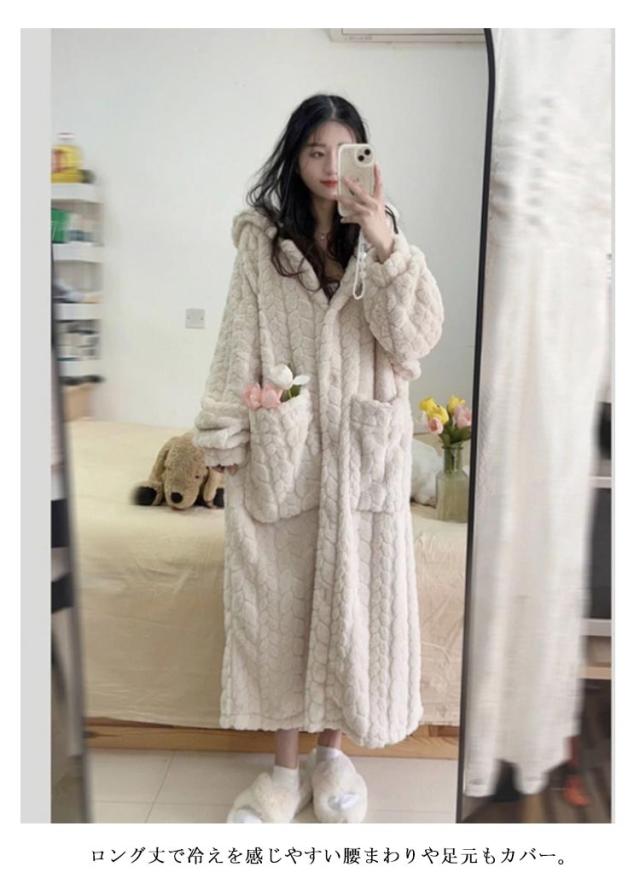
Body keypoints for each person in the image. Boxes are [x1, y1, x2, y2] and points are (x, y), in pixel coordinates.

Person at [192, 93, 445, 823]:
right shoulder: (264, 245)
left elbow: (415, 340)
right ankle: (281, 770)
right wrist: (226, 436)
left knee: (354, 604)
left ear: (365, 154)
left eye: (344, 150)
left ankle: (332, 756)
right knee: (279, 608)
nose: (331, 166)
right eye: (314, 151)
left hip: (365, 456)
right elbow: (237, 341)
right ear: (296, 159)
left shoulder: (385, 241)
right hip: (290, 452)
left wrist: (385, 244)